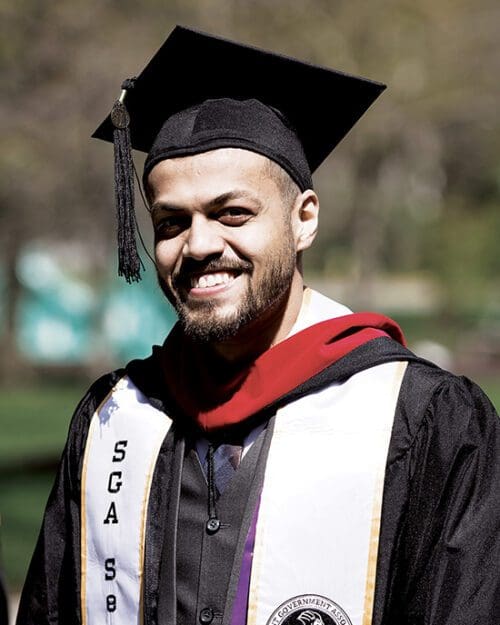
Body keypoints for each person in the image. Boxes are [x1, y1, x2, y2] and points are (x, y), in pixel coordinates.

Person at [17, 26, 500, 625]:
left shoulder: (423, 418)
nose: (198, 244)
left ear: (304, 220)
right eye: (170, 223)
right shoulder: (113, 419)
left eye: (233, 213)